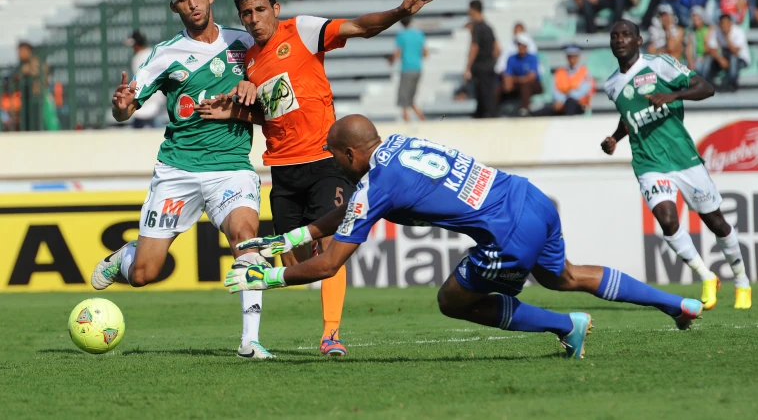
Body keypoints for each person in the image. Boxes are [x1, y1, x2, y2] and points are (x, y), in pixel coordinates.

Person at [224, 115, 707, 360]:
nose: (336, 167)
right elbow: (347, 216)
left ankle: (565, 326)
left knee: (452, 300)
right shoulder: (401, 143)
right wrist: (290, 239)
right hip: (531, 199)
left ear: (351, 154)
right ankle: (676, 303)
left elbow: (330, 264)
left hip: (507, 236)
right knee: (567, 274)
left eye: (336, 159)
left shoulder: (374, 185)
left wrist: (268, 275)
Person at [198, 0, 437, 356]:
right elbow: (273, 115)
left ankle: (331, 335)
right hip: (283, 170)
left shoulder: (304, 31)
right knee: (293, 259)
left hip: (325, 162)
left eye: (261, 10)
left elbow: (360, 27)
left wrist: (399, 12)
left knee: (328, 246)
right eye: (247, 13)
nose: (255, 19)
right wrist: (233, 111)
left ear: (275, 10)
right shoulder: (252, 62)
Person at [90, 0, 275, 359]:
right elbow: (127, 109)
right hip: (178, 171)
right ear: (173, 7)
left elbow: (272, 86)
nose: (191, 4)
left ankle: (250, 340)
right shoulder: (164, 55)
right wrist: (122, 107)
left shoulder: (244, 42)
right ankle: (125, 256)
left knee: (247, 240)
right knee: (144, 274)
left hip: (231, 166)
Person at [601, 20, 751, 310]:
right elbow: (629, 114)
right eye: (615, 36)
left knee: (716, 222)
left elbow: (705, 87)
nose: (620, 40)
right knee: (668, 221)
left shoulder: (660, 65)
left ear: (639, 40)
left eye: (626, 35)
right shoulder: (611, 84)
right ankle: (707, 277)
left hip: (682, 156)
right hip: (648, 161)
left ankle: (742, 281)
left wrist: (673, 95)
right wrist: (616, 138)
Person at [463, 0, 500, 118]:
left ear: (473, 10)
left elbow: (474, 47)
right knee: (488, 95)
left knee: (482, 96)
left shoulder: (477, 28)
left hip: (480, 66)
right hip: (490, 65)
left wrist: (468, 67)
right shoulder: (488, 27)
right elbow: (497, 49)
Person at [388, 17, 427, 122]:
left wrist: (391, 61)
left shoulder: (401, 35)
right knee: (410, 99)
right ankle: (422, 118)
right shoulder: (419, 34)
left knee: (404, 99)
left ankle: (406, 121)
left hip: (407, 68)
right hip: (418, 68)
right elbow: (425, 53)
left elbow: (398, 52)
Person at [127, 30, 165, 129]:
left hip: (150, 97)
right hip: (153, 97)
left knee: (155, 126)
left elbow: (143, 80)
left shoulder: (142, 56)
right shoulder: (151, 52)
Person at [704, 14, 751, 91]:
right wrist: (720, 59)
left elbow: (735, 52)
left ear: (731, 23)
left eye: (726, 23)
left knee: (733, 59)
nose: (724, 25)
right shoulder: (717, 32)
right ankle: (708, 85)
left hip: (741, 60)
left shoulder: (738, 32)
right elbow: (711, 50)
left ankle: (732, 85)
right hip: (725, 58)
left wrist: (726, 36)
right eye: (722, 23)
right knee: (709, 59)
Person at [501, 34, 542, 117]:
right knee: (499, 88)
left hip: (533, 85)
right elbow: (507, 74)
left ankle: (524, 110)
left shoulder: (533, 57)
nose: (521, 47)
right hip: (517, 84)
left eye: (523, 45)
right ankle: (492, 111)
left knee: (525, 86)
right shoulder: (512, 58)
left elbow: (531, 77)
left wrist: (515, 80)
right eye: (519, 44)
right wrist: (508, 82)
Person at [552, 45, 594, 116]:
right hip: (561, 103)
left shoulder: (584, 71)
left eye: (574, 56)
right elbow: (555, 89)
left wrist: (568, 97)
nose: (572, 59)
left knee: (570, 102)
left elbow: (584, 90)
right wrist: (561, 100)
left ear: (578, 57)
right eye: (569, 57)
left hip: (579, 104)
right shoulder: (560, 71)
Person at [685, 6, 713, 71]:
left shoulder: (709, 29)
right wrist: (690, 62)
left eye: (698, 19)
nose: (696, 21)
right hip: (696, 58)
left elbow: (708, 48)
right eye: (694, 19)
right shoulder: (691, 32)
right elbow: (689, 48)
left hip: (706, 57)